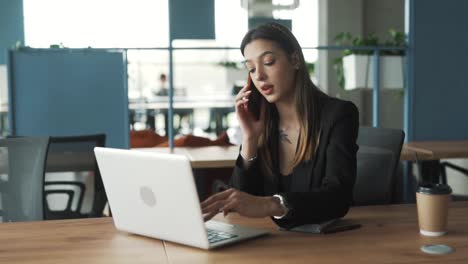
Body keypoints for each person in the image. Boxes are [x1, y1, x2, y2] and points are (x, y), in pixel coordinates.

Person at [201, 23, 359, 229]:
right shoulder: (264, 123)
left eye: (268, 62)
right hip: (273, 245)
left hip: (324, 248)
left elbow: (338, 198)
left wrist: (272, 204)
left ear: (294, 60)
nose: (259, 75)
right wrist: (249, 139)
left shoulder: (338, 115)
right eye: (251, 68)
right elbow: (241, 202)